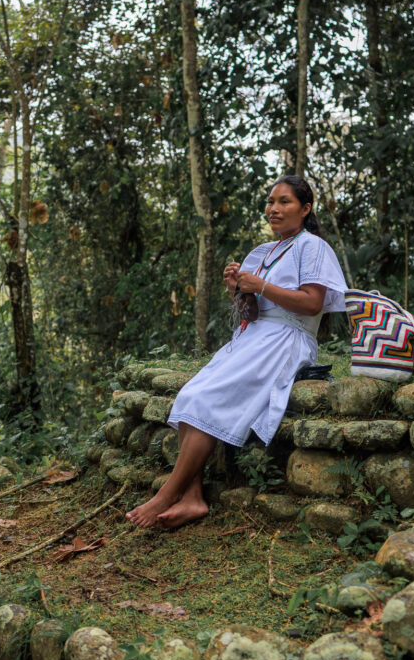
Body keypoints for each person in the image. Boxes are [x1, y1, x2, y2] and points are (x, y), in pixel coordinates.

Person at [126, 176, 348, 530]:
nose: (273, 208)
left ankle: (167, 494)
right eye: (270, 201)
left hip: (286, 341)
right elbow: (254, 312)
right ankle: (193, 498)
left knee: (206, 399)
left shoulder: (313, 247)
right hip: (253, 337)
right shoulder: (265, 251)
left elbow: (312, 304)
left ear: (305, 209)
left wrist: (259, 284)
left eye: (284, 202)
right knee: (191, 395)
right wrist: (239, 291)